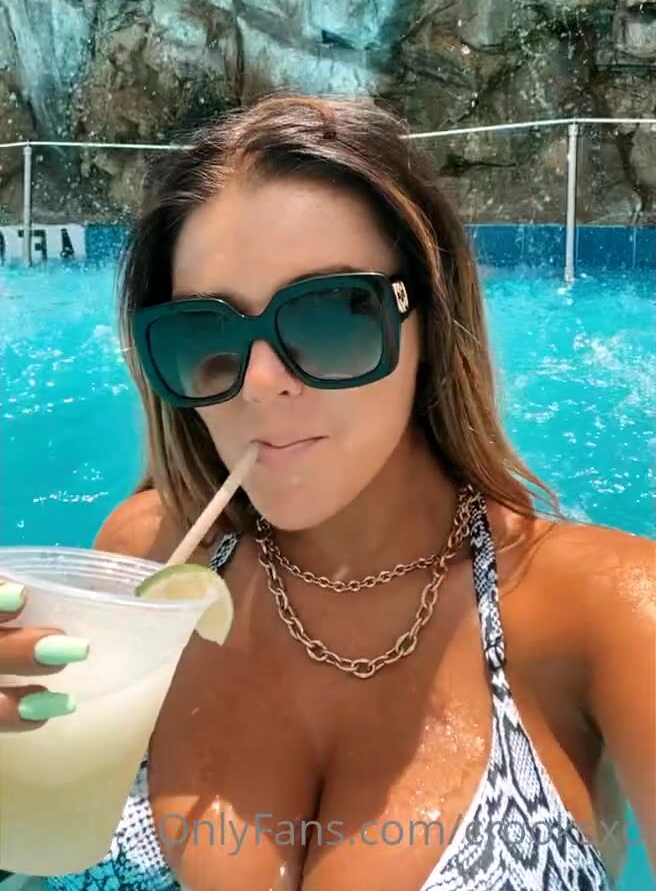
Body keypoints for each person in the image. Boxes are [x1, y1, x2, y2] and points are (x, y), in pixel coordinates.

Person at [0, 92, 654, 891]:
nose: (261, 383)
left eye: (330, 314)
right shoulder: (151, 560)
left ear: (429, 319)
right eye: (205, 333)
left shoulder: (611, 612)